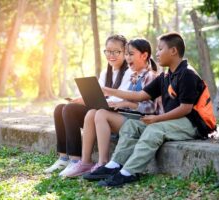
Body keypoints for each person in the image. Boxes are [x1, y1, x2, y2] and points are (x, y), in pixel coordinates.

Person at [93, 32, 207, 187]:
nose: (157, 53)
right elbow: (139, 95)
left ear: (173, 51)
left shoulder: (187, 74)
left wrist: (157, 119)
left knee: (155, 129)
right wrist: (108, 90)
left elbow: (186, 109)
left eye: (160, 49)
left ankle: (129, 172)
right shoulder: (165, 76)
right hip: (173, 121)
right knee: (131, 125)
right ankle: (115, 164)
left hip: (192, 124)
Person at [59, 38, 163, 178]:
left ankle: (103, 162)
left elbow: (151, 108)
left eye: (130, 54)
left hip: (139, 122)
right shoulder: (133, 76)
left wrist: (125, 103)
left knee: (101, 114)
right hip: (127, 117)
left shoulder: (150, 76)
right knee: (91, 113)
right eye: (126, 54)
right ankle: (85, 162)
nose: (127, 58)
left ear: (144, 56)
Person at [44, 34, 132, 175]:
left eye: (116, 51)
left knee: (70, 109)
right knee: (59, 108)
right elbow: (98, 96)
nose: (111, 55)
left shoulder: (129, 73)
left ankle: (76, 160)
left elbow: (116, 101)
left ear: (125, 52)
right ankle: (63, 158)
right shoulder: (106, 72)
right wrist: (81, 98)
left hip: (111, 115)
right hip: (99, 111)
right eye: (108, 51)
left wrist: (84, 101)